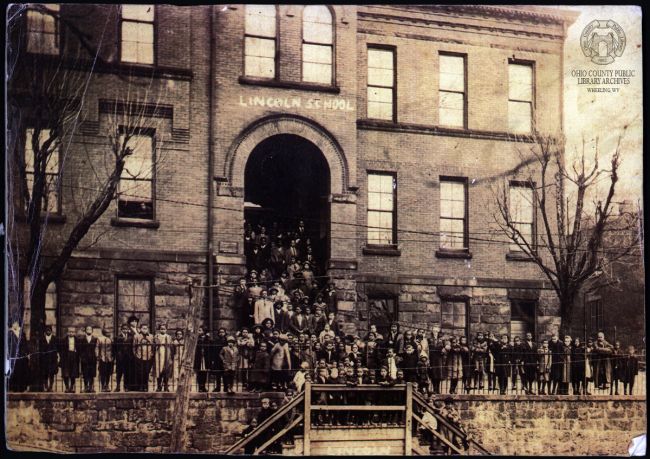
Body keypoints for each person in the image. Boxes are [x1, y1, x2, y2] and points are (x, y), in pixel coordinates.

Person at [133, 324, 154, 391]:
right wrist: (136, 355)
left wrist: (152, 354)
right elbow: (134, 346)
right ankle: (140, 386)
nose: (145, 330)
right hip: (139, 356)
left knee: (146, 372)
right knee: (140, 372)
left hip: (148, 356)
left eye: (146, 328)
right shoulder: (136, 336)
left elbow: (153, 346)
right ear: (140, 329)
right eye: (143, 328)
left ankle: (145, 386)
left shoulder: (151, 336)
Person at [59, 326, 80, 393]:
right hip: (66, 356)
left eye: (73, 332)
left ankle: (72, 387)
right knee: (66, 372)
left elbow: (80, 348)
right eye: (70, 331)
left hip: (74, 356)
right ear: (67, 332)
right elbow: (61, 349)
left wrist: (77, 353)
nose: (71, 333)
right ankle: (67, 387)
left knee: (73, 373)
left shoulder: (77, 340)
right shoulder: (64, 340)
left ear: (75, 333)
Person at [39, 325, 59, 392]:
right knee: (45, 373)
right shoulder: (42, 339)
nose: (48, 331)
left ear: (51, 331)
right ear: (45, 331)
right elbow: (40, 349)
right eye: (47, 330)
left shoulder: (54, 338)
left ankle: (50, 387)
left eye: (49, 330)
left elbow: (56, 349)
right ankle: (46, 386)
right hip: (44, 359)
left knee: (51, 374)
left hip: (52, 359)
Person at [154, 323, 174, 392]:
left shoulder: (169, 337)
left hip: (166, 353)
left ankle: (166, 386)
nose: (162, 330)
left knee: (166, 369)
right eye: (161, 329)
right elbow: (155, 344)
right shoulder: (156, 336)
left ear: (166, 330)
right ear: (159, 329)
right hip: (159, 353)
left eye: (164, 329)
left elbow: (171, 346)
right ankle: (159, 386)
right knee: (159, 369)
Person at [79, 325, 98, 393]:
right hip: (85, 359)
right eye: (87, 329)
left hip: (92, 359)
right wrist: (82, 357)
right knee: (85, 373)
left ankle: (91, 387)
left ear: (92, 331)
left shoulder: (95, 339)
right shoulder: (82, 339)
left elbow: (97, 348)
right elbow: (80, 349)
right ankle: (86, 386)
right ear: (85, 331)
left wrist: (96, 356)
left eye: (90, 329)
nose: (89, 330)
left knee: (92, 373)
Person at [96, 326, 114, 392]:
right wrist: (98, 356)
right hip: (102, 357)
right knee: (102, 372)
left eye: (109, 332)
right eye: (107, 332)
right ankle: (103, 385)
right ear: (104, 333)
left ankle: (107, 385)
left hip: (110, 358)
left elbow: (113, 348)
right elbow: (97, 347)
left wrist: (112, 356)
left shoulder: (111, 339)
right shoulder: (100, 339)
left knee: (108, 372)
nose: (108, 333)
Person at [194, 325, 211, 392]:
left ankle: (203, 386)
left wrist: (207, 337)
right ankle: (200, 387)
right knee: (199, 372)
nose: (198, 331)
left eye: (200, 330)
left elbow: (209, 346)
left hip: (205, 358)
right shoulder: (197, 338)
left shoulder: (207, 339)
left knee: (204, 372)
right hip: (198, 357)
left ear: (204, 331)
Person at [113, 324, 130, 392]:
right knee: (119, 373)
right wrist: (117, 355)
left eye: (126, 329)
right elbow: (114, 348)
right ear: (121, 330)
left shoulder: (130, 337)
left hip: (128, 358)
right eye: (124, 329)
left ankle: (126, 387)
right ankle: (118, 386)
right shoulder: (117, 337)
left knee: (127, 373)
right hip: (120, 358)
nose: (125, 330)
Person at [429, 327, 445, 394]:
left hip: (439, 358)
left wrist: (442, 350)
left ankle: (437, 388)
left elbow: (444, 348)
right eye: (434, 331)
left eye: (436, 331)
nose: (435, 332)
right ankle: (434, 388)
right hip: (432, 357)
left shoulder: (442, 340)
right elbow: (429, 348)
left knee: (438, 373)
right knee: (433, 373)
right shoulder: (429, 339)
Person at [212, 327, 227, 392]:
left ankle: (226, 387)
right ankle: (218, 387)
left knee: (225, 374)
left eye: (223, 332)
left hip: (225, 359)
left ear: (225, 333)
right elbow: (214, 351)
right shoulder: (216, 341)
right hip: (217, 359)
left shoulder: (227, 341)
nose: (221, 333)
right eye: (220, 332)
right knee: (218, 374)